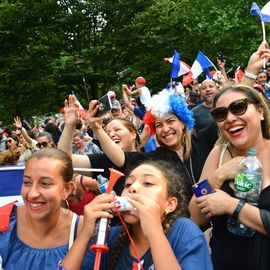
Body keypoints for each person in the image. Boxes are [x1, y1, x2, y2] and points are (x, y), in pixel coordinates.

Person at [61, 160, 213, 270]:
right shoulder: (111, 236)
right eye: (128, 184)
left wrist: (154, 233)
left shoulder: (184, 231)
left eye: (147, 183)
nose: (133, 188)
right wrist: (87, 232)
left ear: (170, 204)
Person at [189, 85, 270, 270]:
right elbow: (195, 216)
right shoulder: (218, 153)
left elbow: (229, 205)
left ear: (260, 112)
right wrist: (218, 176)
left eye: (238, 107)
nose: (230, 118)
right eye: (221, 114)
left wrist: (231, 205)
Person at [58, 90, 195, 200]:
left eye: (117, 130)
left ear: (133, 134)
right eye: (107, 132)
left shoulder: (197, 145)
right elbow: (64, 160)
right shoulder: (109, 160)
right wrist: (70, 125)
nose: (111, 135)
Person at [0, 148, 92, 269]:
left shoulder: (87, 231)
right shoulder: (4, 221)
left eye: (45, 184)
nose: (32, 194)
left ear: (67, 189)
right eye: (27, 182)